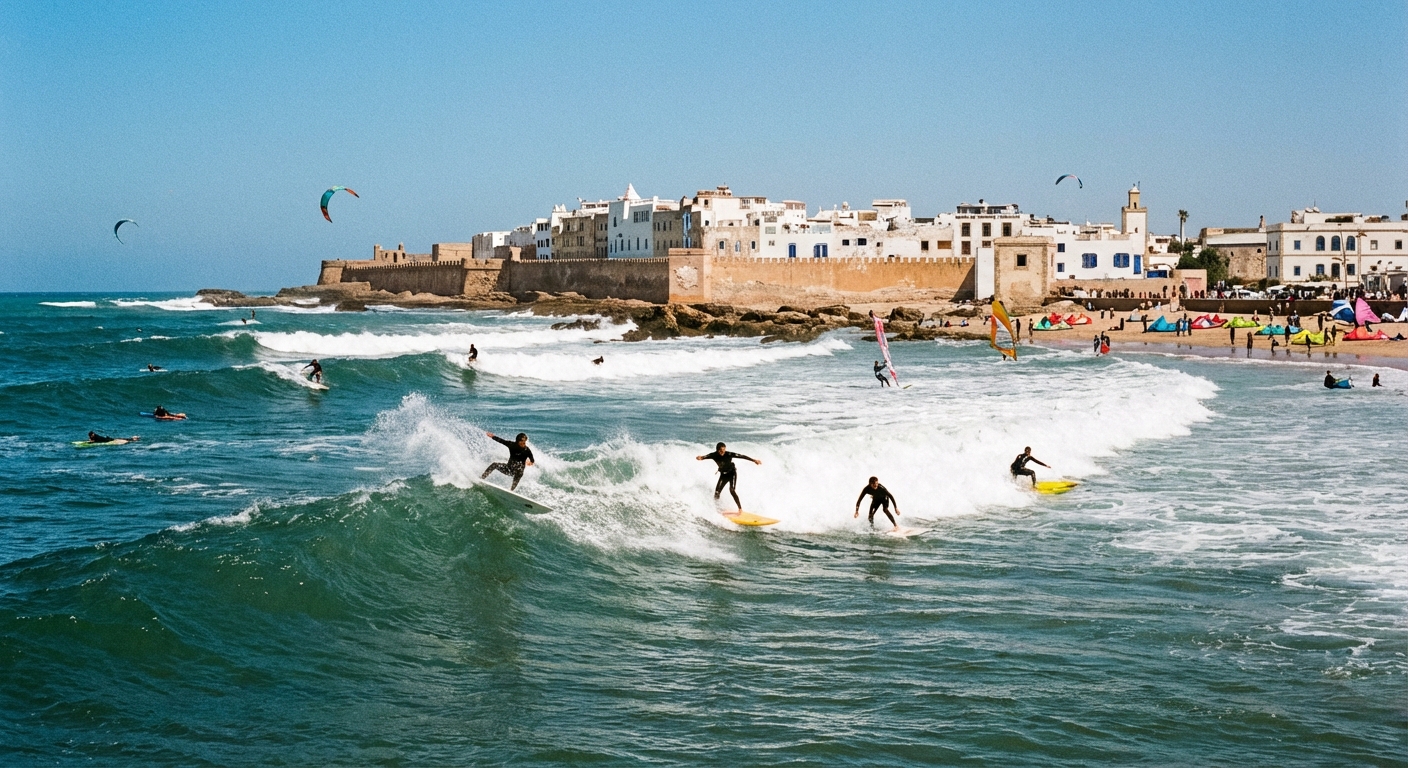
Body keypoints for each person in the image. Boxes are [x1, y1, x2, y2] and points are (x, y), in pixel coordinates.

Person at [696, 442, 761, 511]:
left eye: (724, 450)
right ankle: (717, 508)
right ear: (717, 450)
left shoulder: (728, 454)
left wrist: (754, 460)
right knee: (717, 493)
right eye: (721, 451)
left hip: (732, 473)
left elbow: (741, 456)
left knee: (732, 490)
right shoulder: (714, 455)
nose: (722, 452)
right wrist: (700, 457)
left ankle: (740, 509)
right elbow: (704, 457)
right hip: (723, 475)